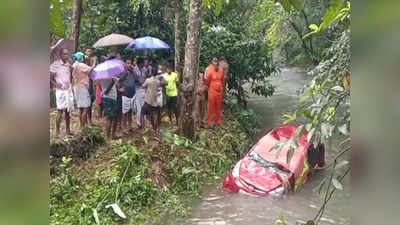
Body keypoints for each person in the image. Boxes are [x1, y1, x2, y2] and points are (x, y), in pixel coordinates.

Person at [50, 48, 74, 137]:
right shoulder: (55, 64)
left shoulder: (68, 64)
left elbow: (71, 74)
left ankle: (68, 130)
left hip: (68, 89)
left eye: (67, 54)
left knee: (68, 110)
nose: (66, 56)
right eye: (64, 54)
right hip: (60, 91)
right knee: (60, 110)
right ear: (60, 55)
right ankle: (57, 132)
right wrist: (56, 84)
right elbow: (50, 77)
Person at [71, 52, 94, 128]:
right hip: (83, 87)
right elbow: (91, 70)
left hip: (76, 87)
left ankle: (81, 126)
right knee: (86, 107)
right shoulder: (81, 65)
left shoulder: (74, 65)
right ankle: (83, 126)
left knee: (81, 108)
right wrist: (94, 62)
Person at [142, 69, 165, 136]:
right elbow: (163, 83)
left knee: (142, 113)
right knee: (155, 115)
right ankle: (156, 130)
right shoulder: (158, 81)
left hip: (149, 101)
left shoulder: (148, 80)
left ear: (151, 73)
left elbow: (143, 86)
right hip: (155, 101)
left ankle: (144, 129)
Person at [205, 56, 225, 128]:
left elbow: (222, 80)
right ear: (212, 63)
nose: (215, 63)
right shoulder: (209, 71)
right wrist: (210, 89)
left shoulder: (221, 71)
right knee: (211, 107)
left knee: (218, 107)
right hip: (212, 92)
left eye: (217, 61)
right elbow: (207, 82)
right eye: (214, 61)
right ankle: (210, 122)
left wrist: (221, 88)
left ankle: (218, 120)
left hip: (219, 92)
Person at [118, 59, 136, 132]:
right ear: (124, 64)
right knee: (125, 112)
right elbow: (118, 81)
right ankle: (124, 126)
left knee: (130, 111)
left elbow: (138, 79)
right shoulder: (121, 72)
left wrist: (133, 71)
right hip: (125, 94)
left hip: (132, 94)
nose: (129, 65)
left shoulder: (132, 72)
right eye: (128, 63)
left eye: (130, 63)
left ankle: (130, 125)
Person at [84, 47, 98, 124]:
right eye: (88, 51)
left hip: (90, 83)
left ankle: (89, 120)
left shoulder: (91, 60)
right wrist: (94, 62)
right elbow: (91, 69)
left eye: (90, 51)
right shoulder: (83, 63)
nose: (89, 53)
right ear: (85, 52)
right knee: (85, 103)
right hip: (85, 85)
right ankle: (85, 120)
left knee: (90, 102)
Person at [134, 58, 148, 129]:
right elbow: (137, 80)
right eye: (143, 63)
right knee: (139, 107)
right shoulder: (135, 70)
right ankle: (138, 123)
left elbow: (145, 78)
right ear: (140, 63)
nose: (144, 64)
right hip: (137, 89)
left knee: (144, 106)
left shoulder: (144, 69)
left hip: (143, 89)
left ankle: (143, 122)